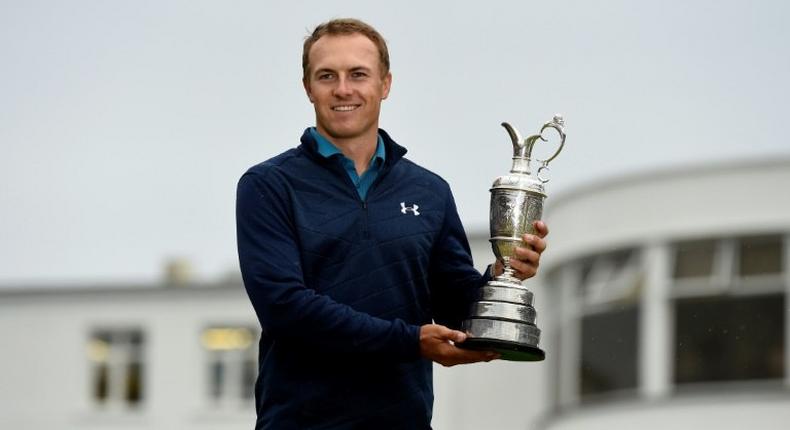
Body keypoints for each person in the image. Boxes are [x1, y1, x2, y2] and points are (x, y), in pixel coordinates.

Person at [236, 18, 548, 430]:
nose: (343, 89)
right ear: (308, 87)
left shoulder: (429, 191)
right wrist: (410, 341)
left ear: (385, 83)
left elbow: (455, 301)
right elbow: (285, 309)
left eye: (358, 74)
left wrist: (503, 275)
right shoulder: (269, 185)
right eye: (327, 75)